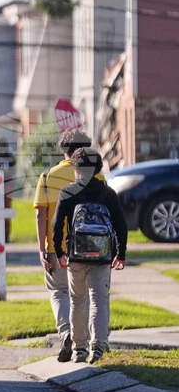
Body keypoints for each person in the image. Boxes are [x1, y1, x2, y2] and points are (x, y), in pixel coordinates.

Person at [52, 148, 128, 364]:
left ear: (76, 169)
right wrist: (120, 254)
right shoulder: (108, 194)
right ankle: (98, 347)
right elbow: (121, 225)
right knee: (99, 300)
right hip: (102, 256)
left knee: (77, 301)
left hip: (76, 256)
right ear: (97, 169)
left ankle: (79, 349)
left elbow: (57, 225)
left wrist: (59, 252)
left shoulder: (68, 192)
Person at [33, 129, 94, 362]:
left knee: (59, 291)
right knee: (84, 295)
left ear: (63, 150)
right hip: (88, 246)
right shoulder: (95, 175)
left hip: (56, 247)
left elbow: (41, 215)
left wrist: (42, 249)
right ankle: (84, 343)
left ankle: (66, 333)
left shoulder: (48, 176)